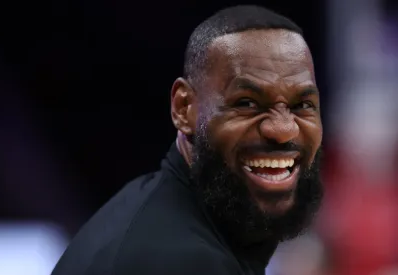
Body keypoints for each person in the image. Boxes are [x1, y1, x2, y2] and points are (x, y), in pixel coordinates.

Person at [52, 5, 323, 275]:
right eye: (247, 103)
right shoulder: (186, 261)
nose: (283, 129)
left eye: (302, 105)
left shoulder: (154, 205)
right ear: (183, 108)